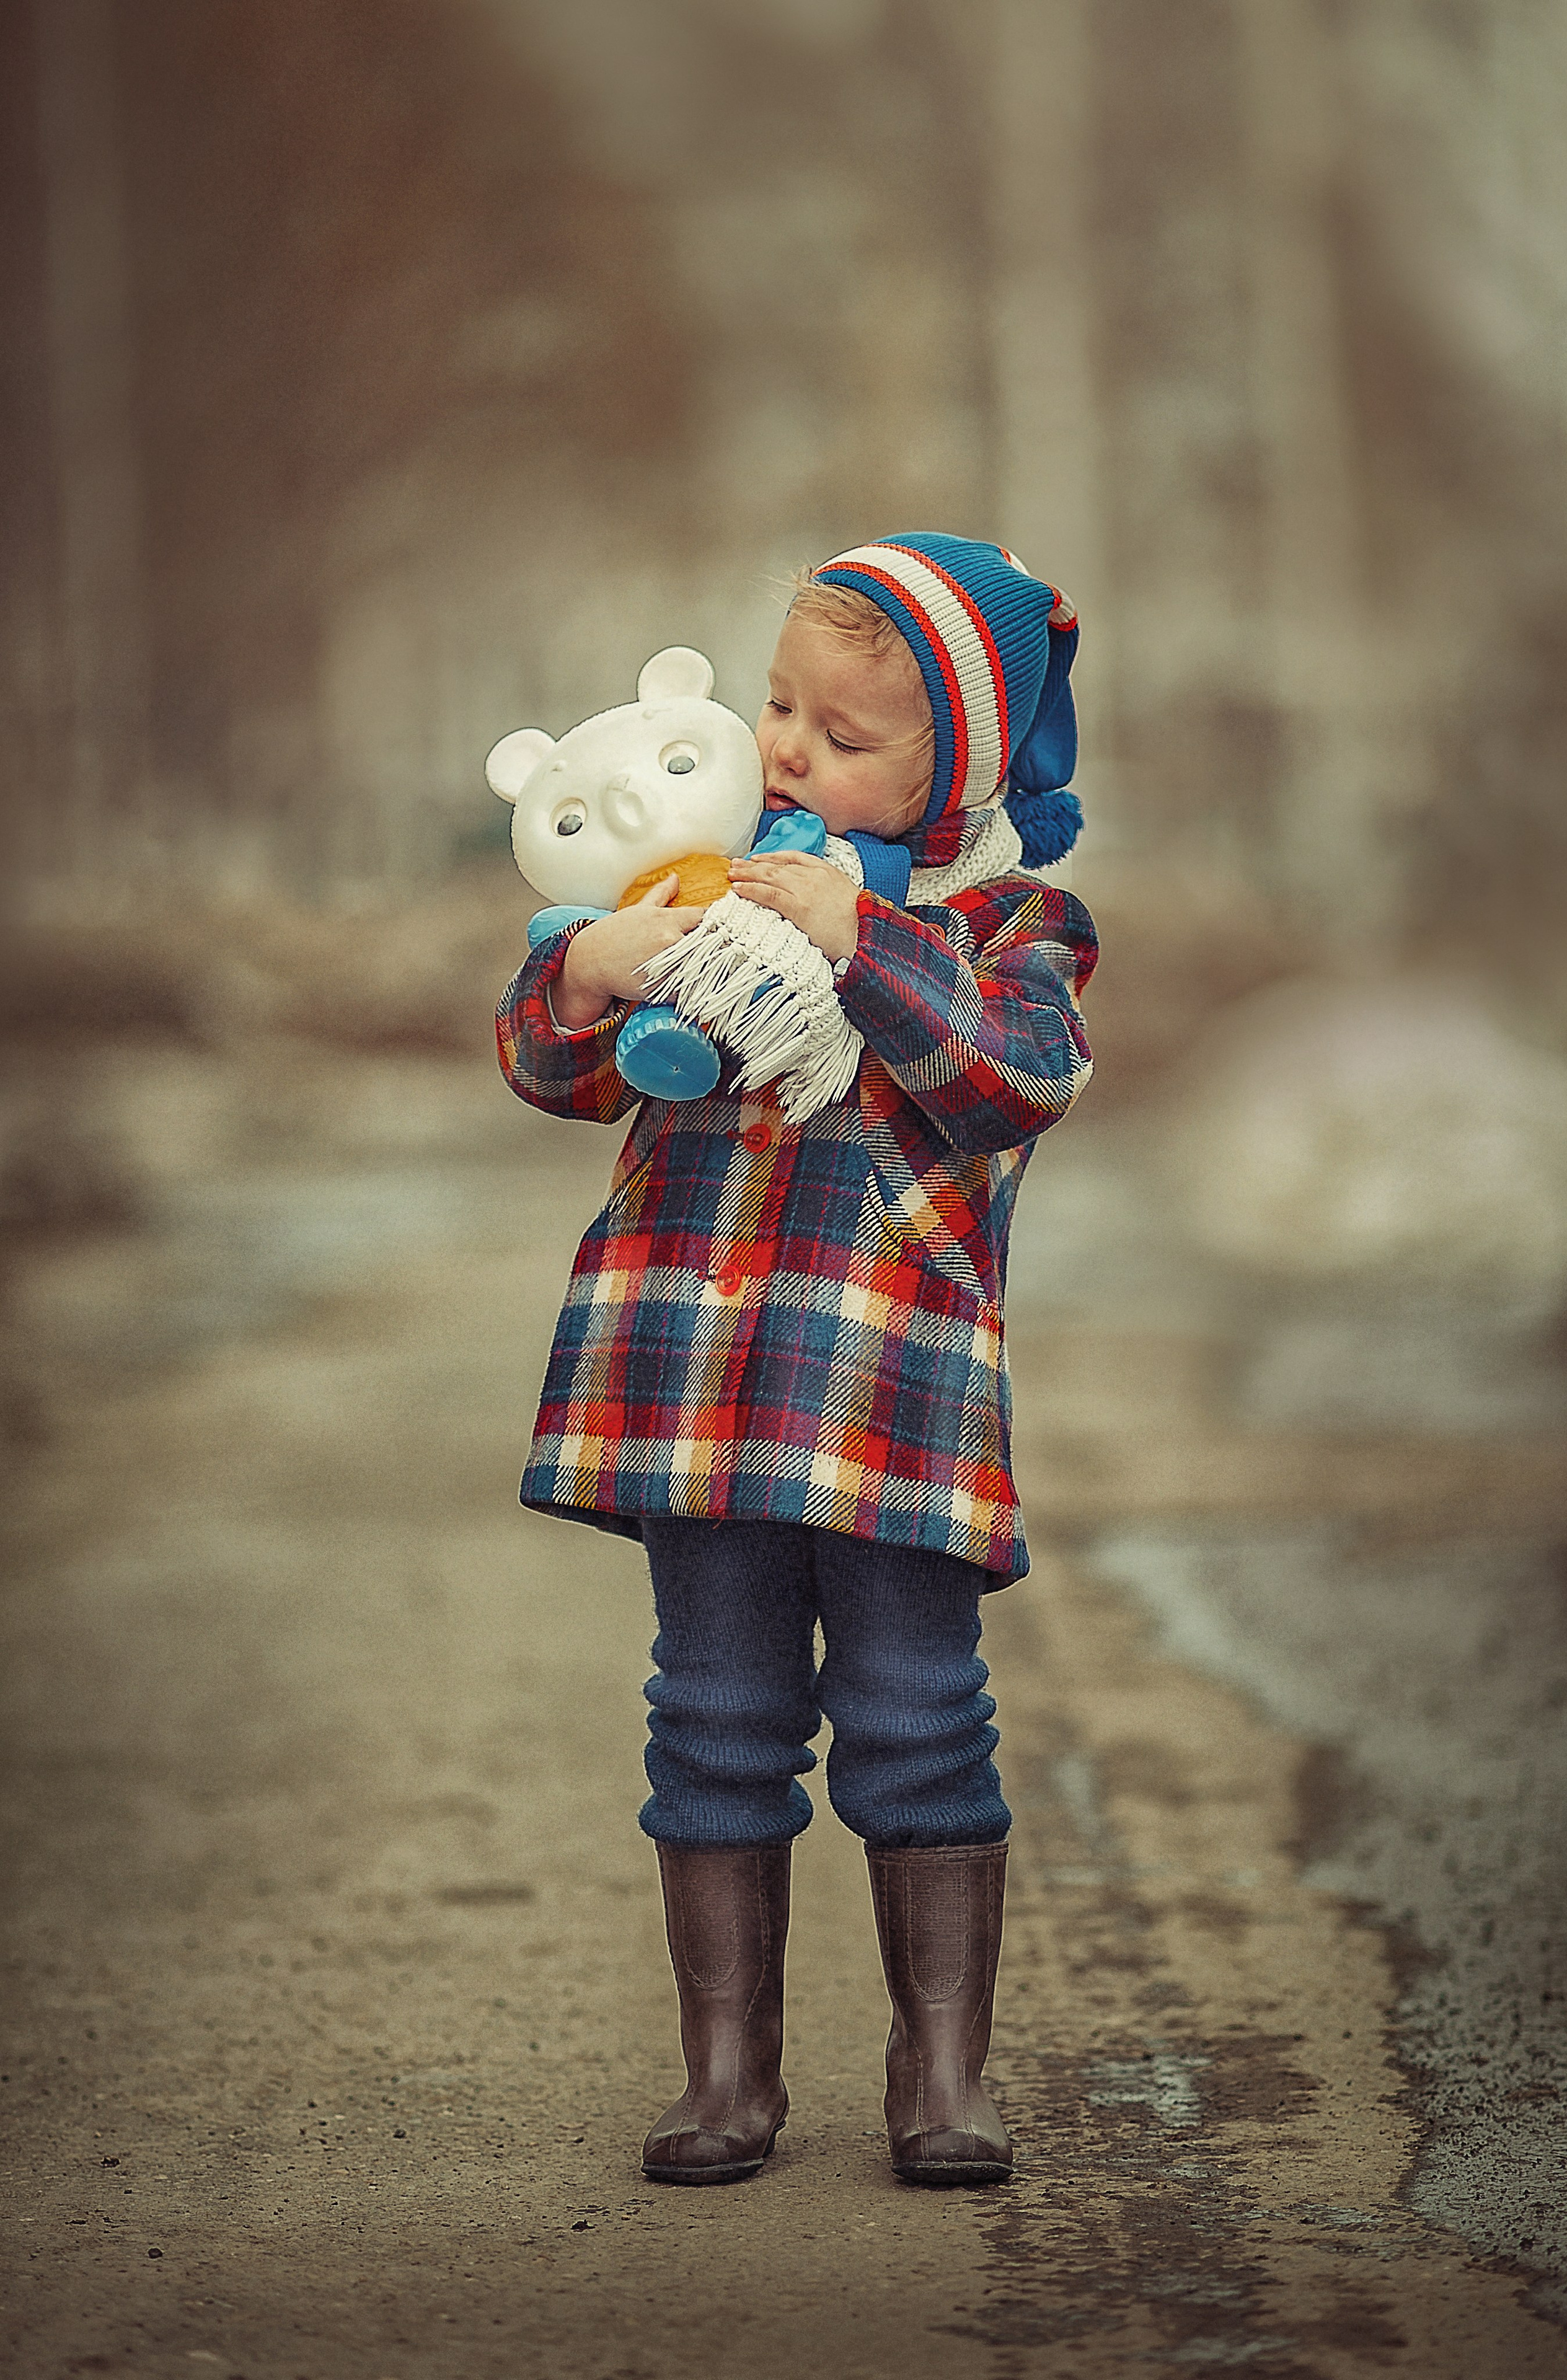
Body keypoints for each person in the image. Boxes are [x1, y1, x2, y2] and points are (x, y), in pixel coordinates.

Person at [496, 534, 1098, 2187]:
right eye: (778, 709)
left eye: (845, 738)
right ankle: (729, 2077)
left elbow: (1014, 1080)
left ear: (956, 762)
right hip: (693, 1387)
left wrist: (859, 937)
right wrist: (585, 969)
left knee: (915, 1716)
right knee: (714, 1716)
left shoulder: (1009, 924)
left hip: (886, 1394)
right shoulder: (696, 875)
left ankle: (944, 2074)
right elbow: (555, 1067)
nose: (788, 754)